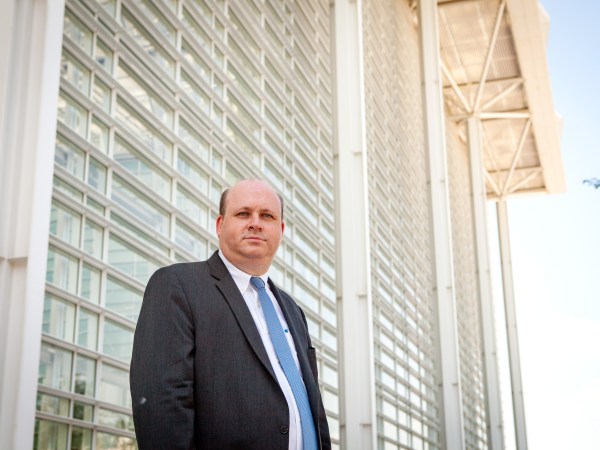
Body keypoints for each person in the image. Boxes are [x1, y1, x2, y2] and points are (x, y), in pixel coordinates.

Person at [130, 179, 331, 450]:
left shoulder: (293, 311)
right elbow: (162, 404)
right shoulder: (178, 286)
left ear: (280, 230)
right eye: (243, 213)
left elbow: (312, 409)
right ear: (220, 225)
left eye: (267, 216)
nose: (256, 223)